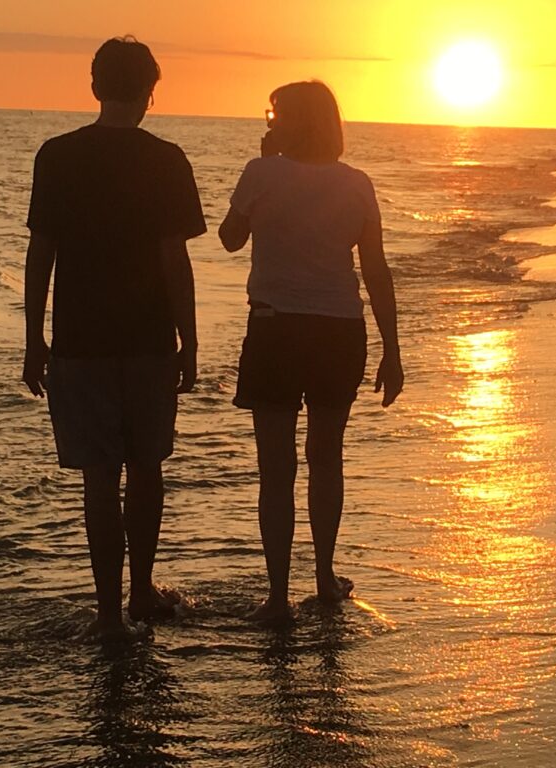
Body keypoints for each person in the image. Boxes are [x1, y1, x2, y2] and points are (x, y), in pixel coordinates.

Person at [22, 36, 207, 639]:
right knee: (147, 468)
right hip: (150, 339)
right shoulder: (167, 159)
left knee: (99, 477)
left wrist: (33, 339)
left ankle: (108, 615)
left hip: (79, 340)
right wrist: (191, 340)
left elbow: (40, 254)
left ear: (96, 86)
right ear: (150, 92)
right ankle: (141, 592)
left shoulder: (57, 155)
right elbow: (173, 259)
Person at [218, 81, 404, 623]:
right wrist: (393, 350)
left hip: (275, 331)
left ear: (293, 121)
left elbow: (230, 239)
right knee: (326, 458)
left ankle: (277, 598)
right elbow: (375, 271)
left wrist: (261, 166)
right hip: (338, 332)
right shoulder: (357, 184)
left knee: (276, 469)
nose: (269, 121)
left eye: (274, 114)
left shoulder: (262, 173)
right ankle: (323, 578)